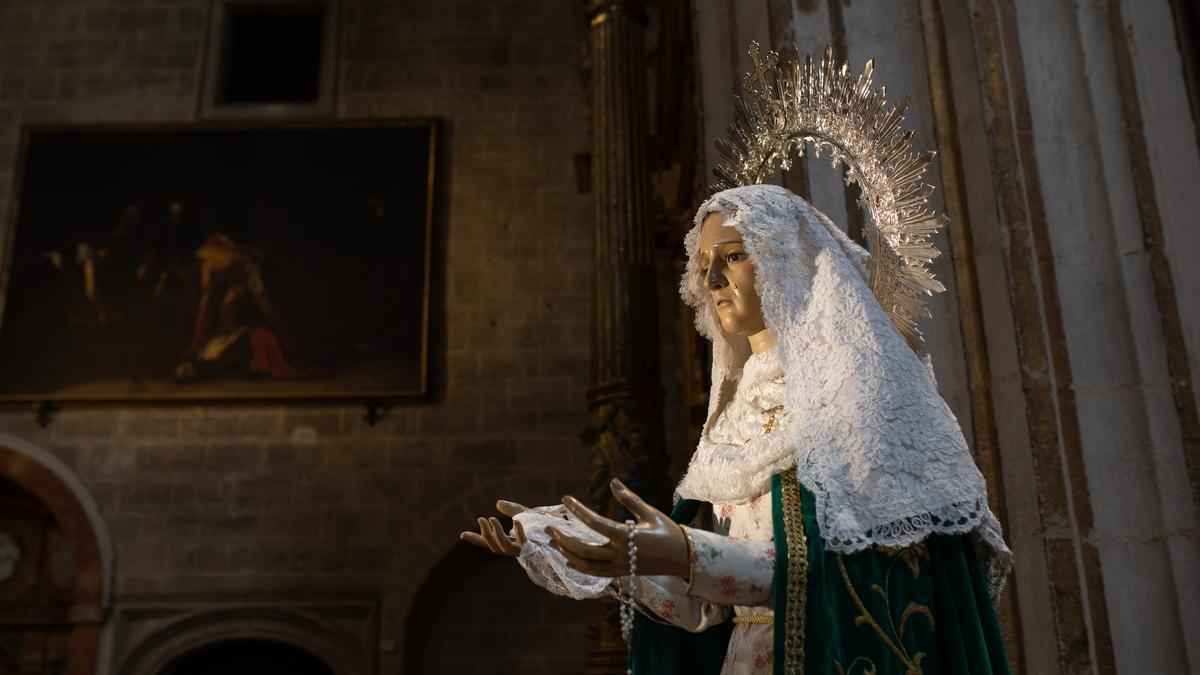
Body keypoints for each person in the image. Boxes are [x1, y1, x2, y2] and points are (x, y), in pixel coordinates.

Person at [463, 185, 1011, 674]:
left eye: (733, 256)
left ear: (785, 260)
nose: (711, 280)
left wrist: (680, 552)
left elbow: (861, 575)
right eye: (703, 264)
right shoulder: (730, 411)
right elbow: (709, 607)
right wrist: (596, 550)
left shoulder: (858, 395)